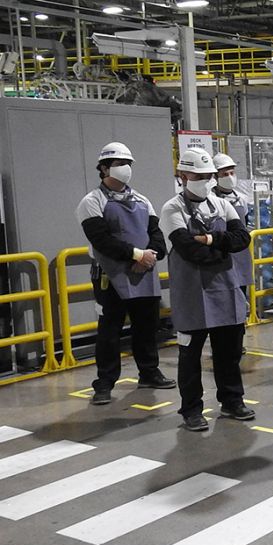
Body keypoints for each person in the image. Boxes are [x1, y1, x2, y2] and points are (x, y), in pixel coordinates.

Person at [159, 149, 255, 431]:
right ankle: (191, 409)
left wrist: (210, 238)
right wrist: (220, 250)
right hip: (192, 296)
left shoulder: (220, 204)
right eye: (199, 177)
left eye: (208, 176)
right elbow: (187, 248)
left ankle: (232, 401)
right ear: (183, 176)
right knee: (190, 357)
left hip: (225, 291)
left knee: (229, 353)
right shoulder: (171, 209)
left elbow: (241, 238)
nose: (205, 181)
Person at [76, 142, 175, 405]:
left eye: (128, 164)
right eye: (119, 164)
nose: (125, 169)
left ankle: (149, 371)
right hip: (110, 277)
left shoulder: (142, 200)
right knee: (109, 331)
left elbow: (156, 234)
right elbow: (102, 240)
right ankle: (105, 383)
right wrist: (136, 255)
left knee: (147, 327)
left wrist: (151, 255)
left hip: (144, 272)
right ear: (104, 168)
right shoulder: (91, 202)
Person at [211, 153, 254, 295]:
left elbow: (244, 224)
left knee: (241, 294)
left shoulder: (241, 199)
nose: (229, 177)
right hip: (221, 254)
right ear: (215, 177)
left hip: (240, 254)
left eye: (232, 173)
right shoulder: (210, 200)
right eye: (224, 174)